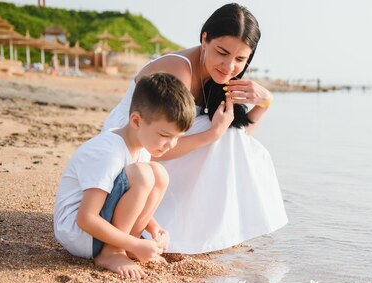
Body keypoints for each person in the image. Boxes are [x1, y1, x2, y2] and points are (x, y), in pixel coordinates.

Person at [103, 3, 288, 254]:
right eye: (222, 52)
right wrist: (212, 134)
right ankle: (169, 228)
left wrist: (265, 103)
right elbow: (150, 148)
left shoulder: (219, 80)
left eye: (240, 59)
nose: (229, 66)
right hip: (128, 151)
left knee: (231, 136)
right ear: (204, 39)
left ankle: (213, 229)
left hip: (162, 150)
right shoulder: (178, 71)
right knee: (219, 133)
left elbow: (236, 143)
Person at [54, 73, 195, 278]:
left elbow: (131, 197)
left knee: (159, 174)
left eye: (177, 138)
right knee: (144, 175)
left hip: (98, 231)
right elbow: (86, 218)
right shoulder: (108, 152)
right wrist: (136, 243)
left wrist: (154, 228)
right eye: (165, 135)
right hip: (80, 234)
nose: (171, 145)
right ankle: (113, 251)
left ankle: (127, 247)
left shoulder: (143, 147)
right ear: (136, 121)